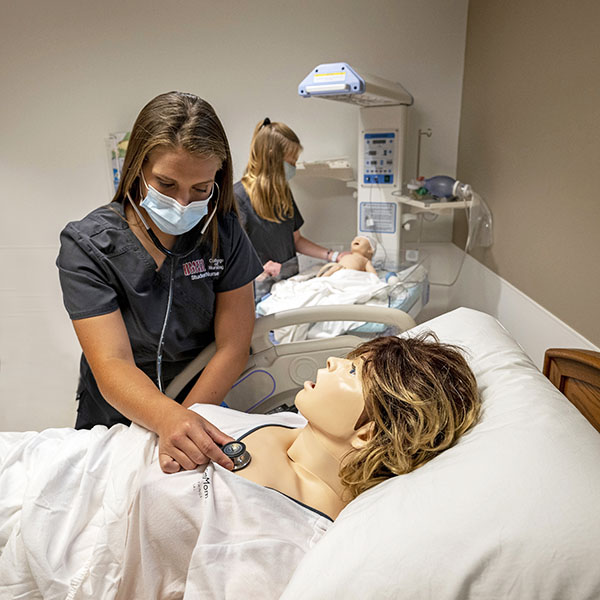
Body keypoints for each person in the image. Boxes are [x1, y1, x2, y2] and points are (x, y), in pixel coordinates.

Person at [117, 333, 481, 598]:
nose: (333, 361)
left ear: (367, 434)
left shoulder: (276, 540)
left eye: (352, 371)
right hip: (103, 449)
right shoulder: (297, 424)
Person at [56, 91, 263, 474]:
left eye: (201, 189)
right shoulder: (88, 245)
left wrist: (188, 424)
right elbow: (112, 362)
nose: (183, 203)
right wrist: (169, 420)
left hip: (200, 404)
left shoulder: (224, 233)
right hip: (114, 416)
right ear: (137, 168)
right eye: (166, 184)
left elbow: (234, 346)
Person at [234, 118, 348, 300]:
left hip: (287, 287)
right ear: (272, 157)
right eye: (291, 162)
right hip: (257, 292)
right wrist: (258, 269)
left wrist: (334, 256)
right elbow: (232, 259)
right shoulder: (238, 198)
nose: (293, 167)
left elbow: (297, 240)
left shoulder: (282, 194)